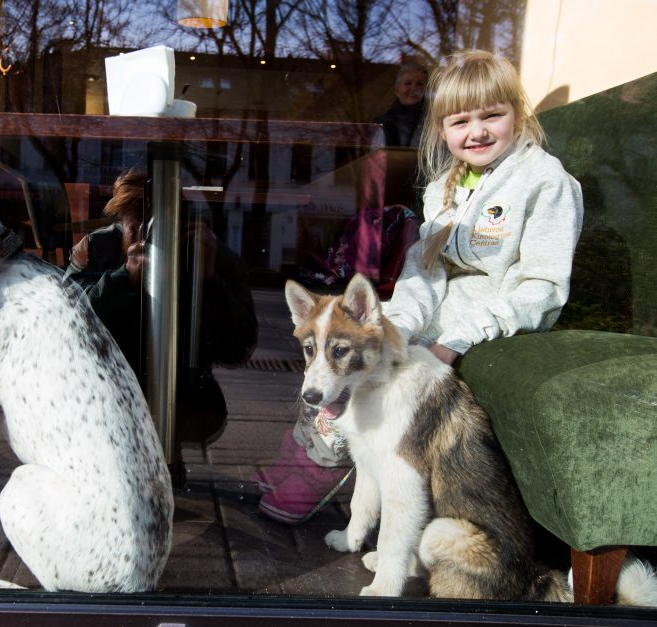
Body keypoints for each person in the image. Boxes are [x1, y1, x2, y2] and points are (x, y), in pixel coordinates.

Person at [257, 49, 583, 524]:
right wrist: (398, 325)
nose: (476, 132)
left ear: (518, 113)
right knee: (347, 346)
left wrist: (454, 341)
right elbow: (424, 271)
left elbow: (543, 287)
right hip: (443, 311)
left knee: (369, 377)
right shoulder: (448, 186)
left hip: (488, 321)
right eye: (460, 121)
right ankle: (303, 449)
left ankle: (319, 466)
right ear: (441, 129)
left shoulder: (544, 183)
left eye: (492, 115)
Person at [64, 169, 258, 482]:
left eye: (163, 227)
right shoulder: (99, 248)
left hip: (179, 391)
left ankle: (164, 452)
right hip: (106, 387)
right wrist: (121, 279)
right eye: (138, 226)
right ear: (122, 221)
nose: (153, 239)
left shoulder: (205, 250)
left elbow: (239, 346)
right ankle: (115, 455)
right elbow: (64, 325)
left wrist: (209, 281)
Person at [374, 62, 429, 147]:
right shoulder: (382, 123)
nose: (413, 88)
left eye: (419, 84)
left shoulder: (432, 122)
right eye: (408, 83)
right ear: (397, 90)